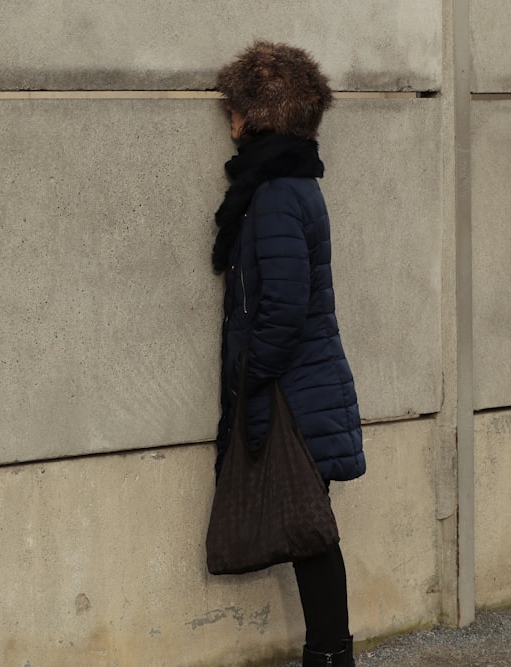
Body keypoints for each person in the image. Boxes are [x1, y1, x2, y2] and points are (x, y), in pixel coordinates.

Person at [211, 41, 366, 667]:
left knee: (310, 530)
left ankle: (330, 655)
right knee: (311, 529)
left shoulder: (274, 192)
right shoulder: (292, 183)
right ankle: (329, 653)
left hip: (295, 390)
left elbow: (283, 303)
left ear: (256, 115)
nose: (229, 122)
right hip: (307, 383)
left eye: (235, 109)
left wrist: (255, 375)